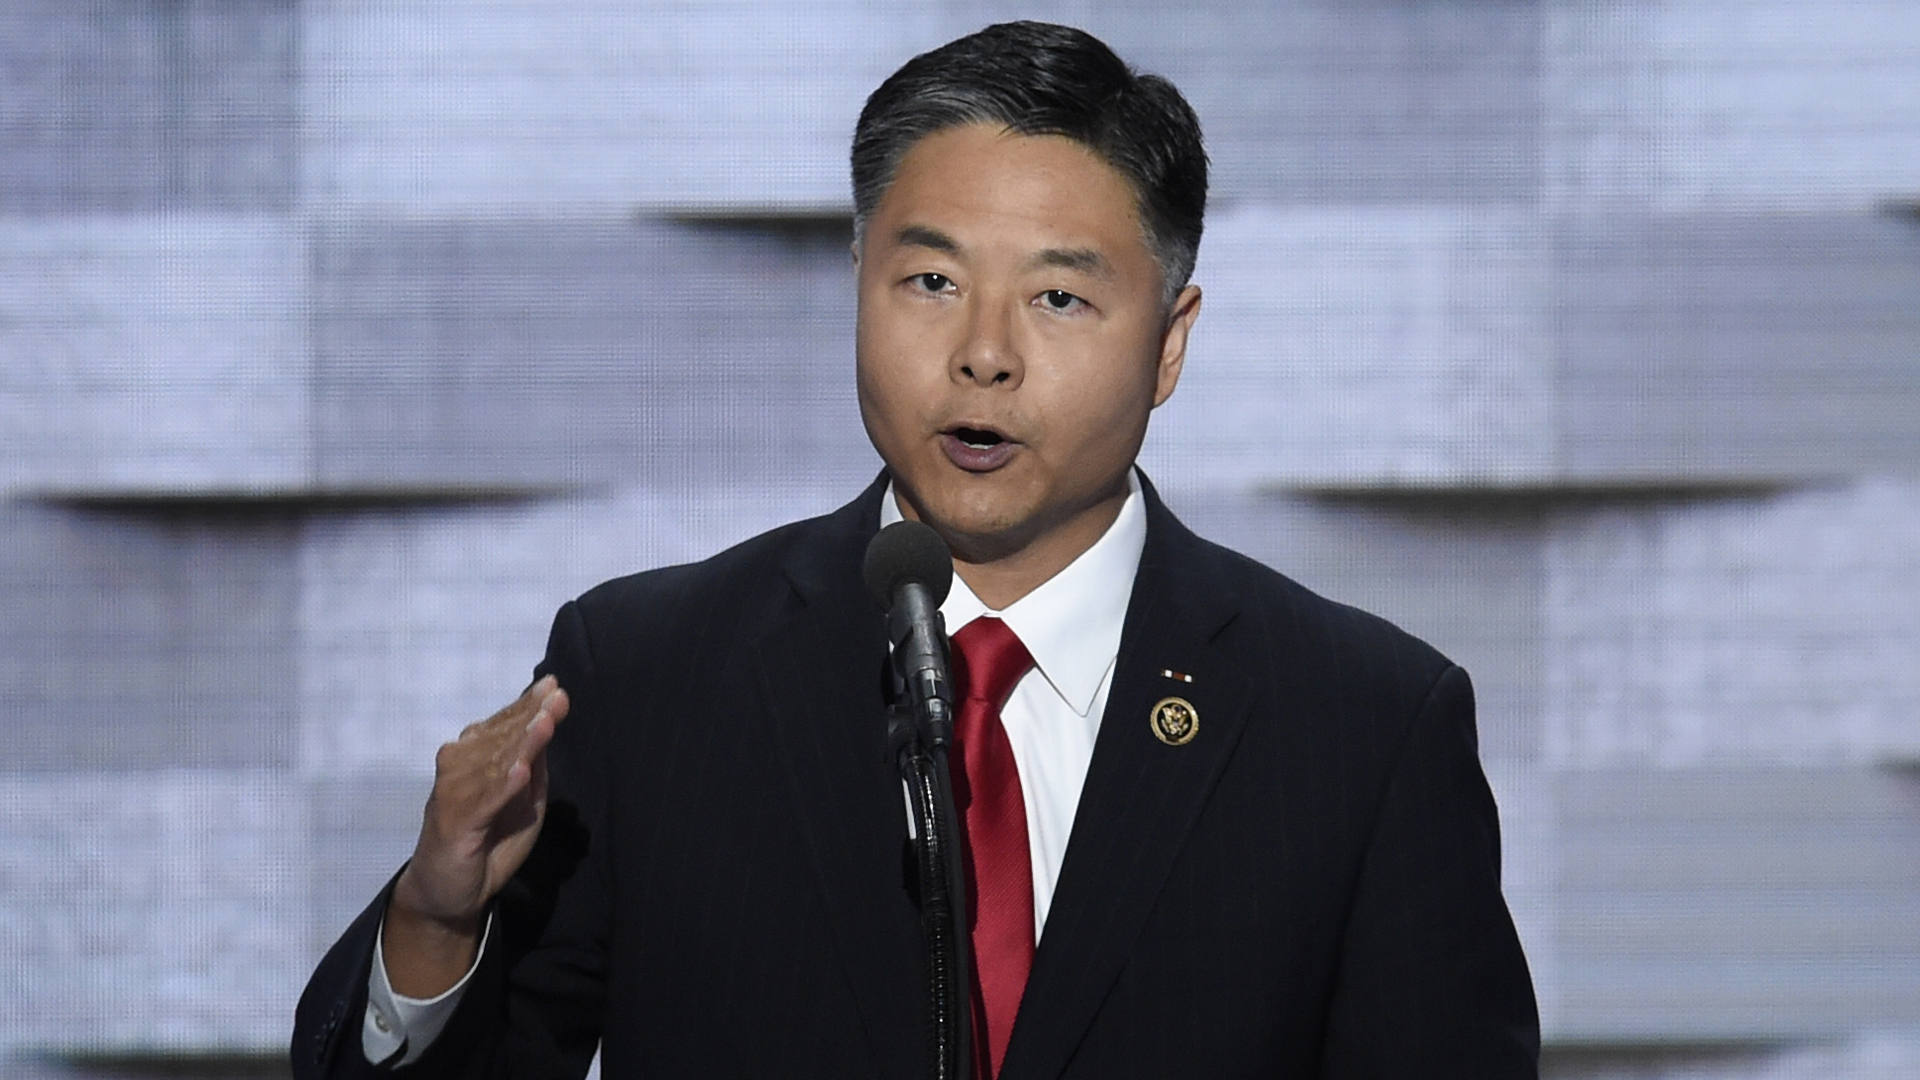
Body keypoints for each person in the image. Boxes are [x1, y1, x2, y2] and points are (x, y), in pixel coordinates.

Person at [293, 20, 1539, 1080]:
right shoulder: (647, 675)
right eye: (931, 280)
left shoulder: (1361, 729)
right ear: (856, 281)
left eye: (1058, 297)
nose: (983, 352)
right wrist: (436, 919)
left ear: (1169, 342)